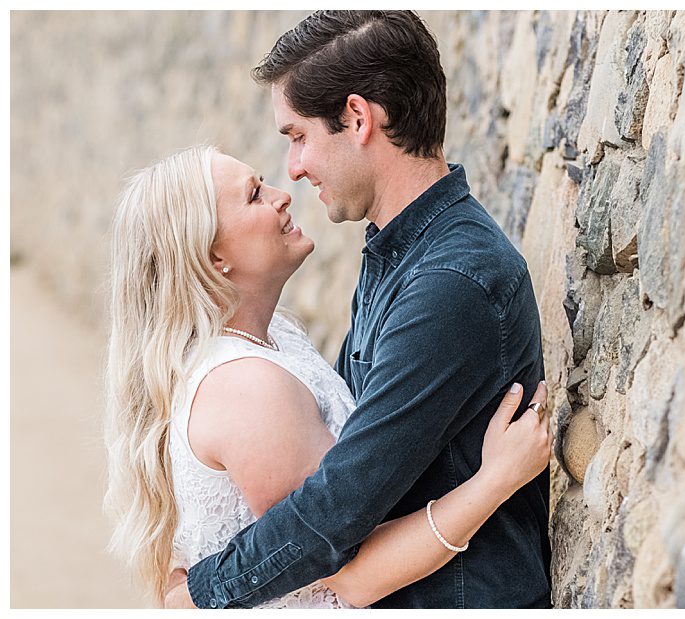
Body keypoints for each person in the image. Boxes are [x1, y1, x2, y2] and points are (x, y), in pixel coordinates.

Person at [166, 10, 551, 608]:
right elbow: (347, 438)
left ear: (356, 117)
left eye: (297, 137)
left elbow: (335, 509)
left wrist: (200, 594)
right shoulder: (396, 253)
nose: (293, 168)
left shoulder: (450, 283)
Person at [104, 145, 552, 608]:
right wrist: (496, 479)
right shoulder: (247, 390)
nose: (283, 194)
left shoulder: (273, 336)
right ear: (214, 257)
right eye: (255, 195)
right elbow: (355, 576)